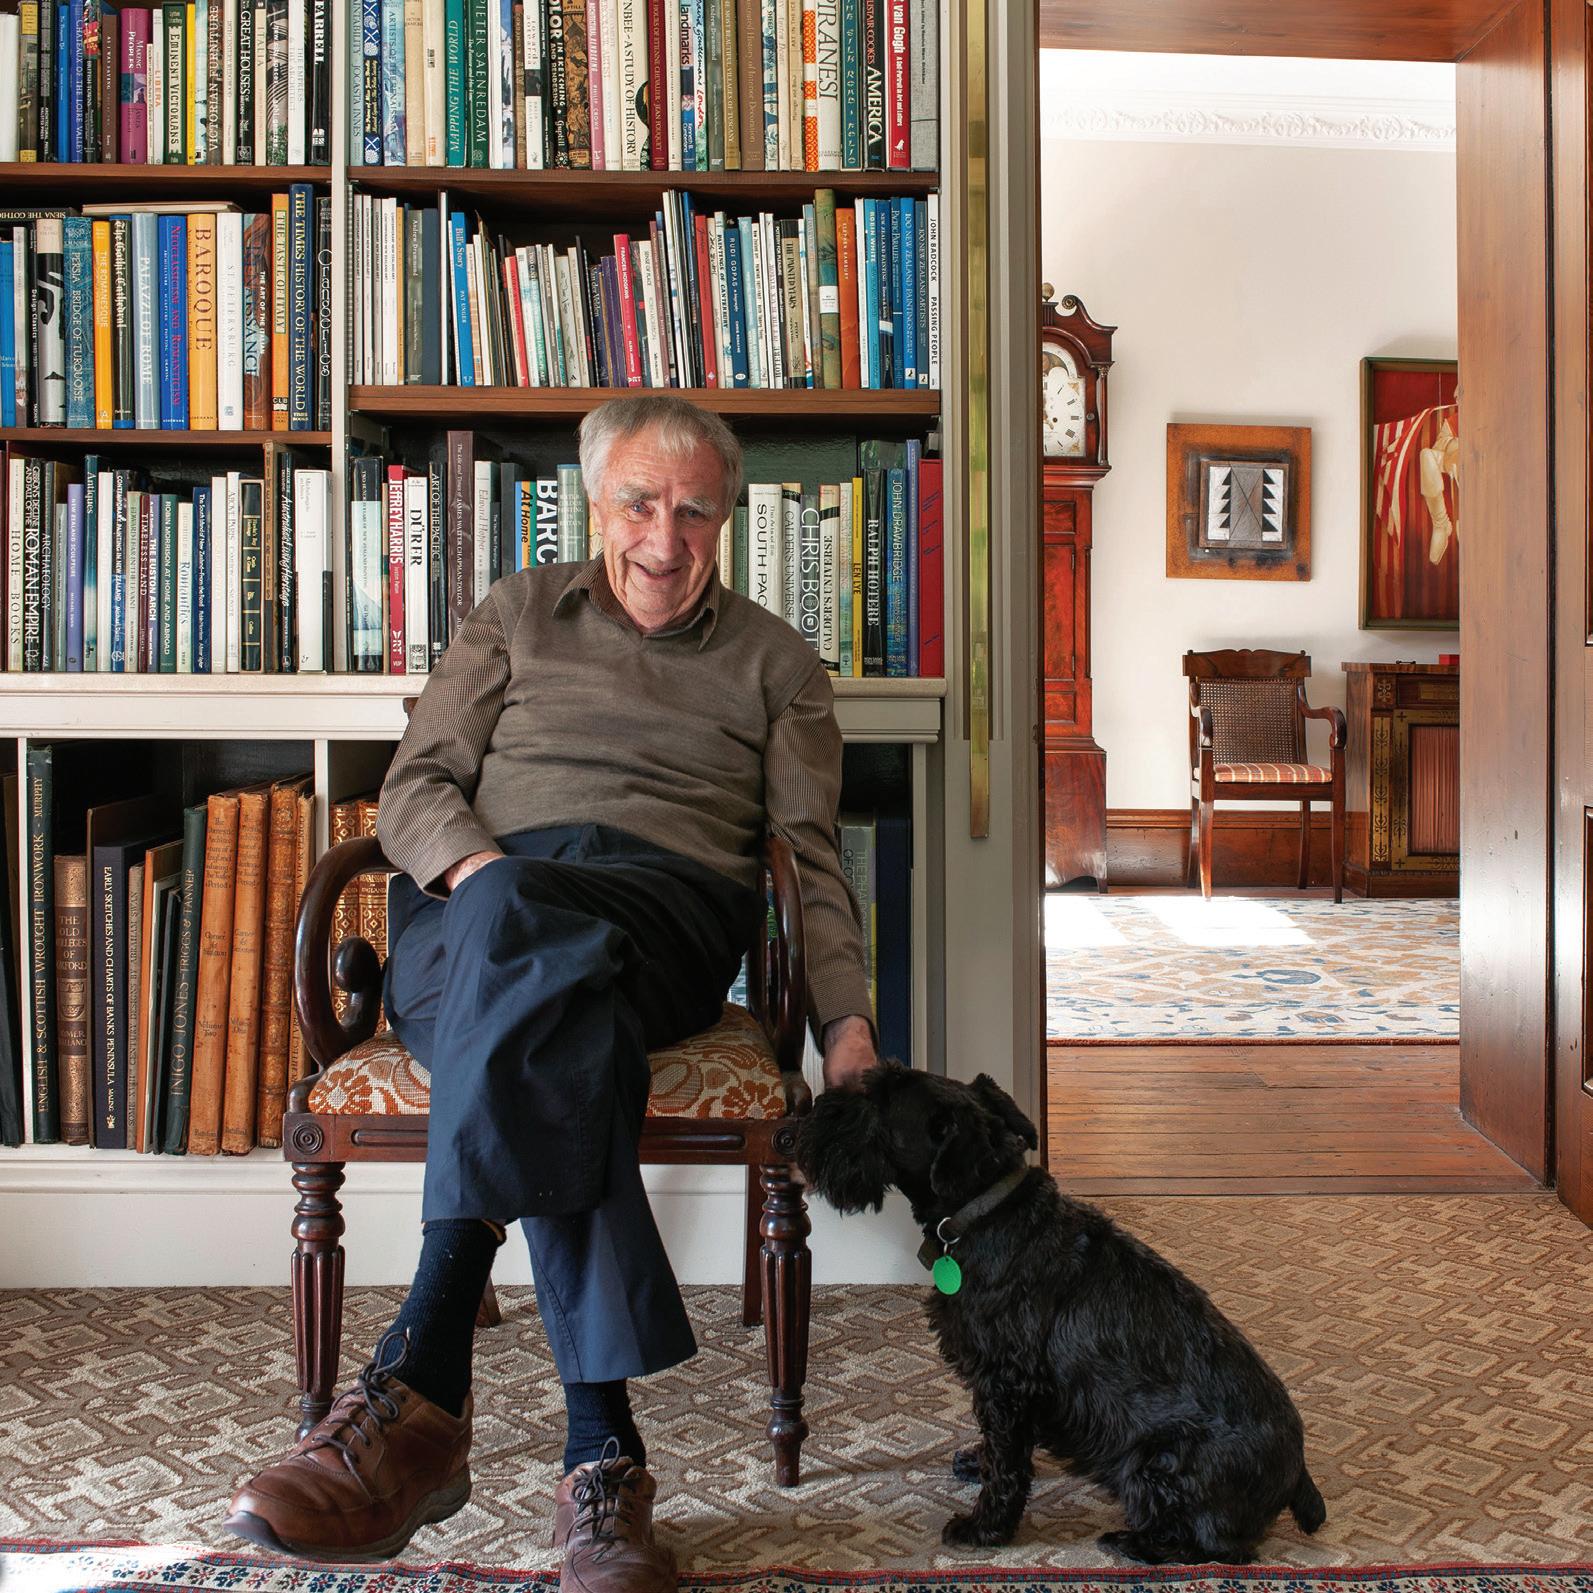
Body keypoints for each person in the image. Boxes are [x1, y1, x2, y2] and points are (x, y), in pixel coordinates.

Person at [223, 395, 878, 1589]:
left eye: (695, 512)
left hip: (657, 916)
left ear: (728, 517)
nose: (665, 541)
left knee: (533, 958)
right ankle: (601, 1460)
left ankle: (422, 1374)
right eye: (640, 504)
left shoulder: (780, 665)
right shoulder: (518, 611)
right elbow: (416, 786)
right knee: (550, 988)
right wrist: (483, 875)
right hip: (476, 910)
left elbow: (810, 858)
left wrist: (847, 1025)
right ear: (593, 502)